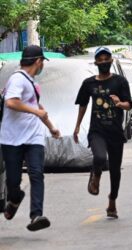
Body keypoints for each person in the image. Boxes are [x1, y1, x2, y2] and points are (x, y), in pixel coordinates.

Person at [0, 45, 61, 231]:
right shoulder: (17, 79)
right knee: (13, 182)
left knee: (36, 173)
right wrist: (35, 111)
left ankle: (36, 215)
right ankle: (15, 199)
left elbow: (36, 106)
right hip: (12, 138)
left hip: (34, 137)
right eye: (42, 62)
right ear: (38, 61)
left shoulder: (32, 82)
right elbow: (11, 102)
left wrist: (51, 127)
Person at [74, 47, 132, 219]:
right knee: (99, 158)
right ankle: (96, 175)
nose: (104, 62)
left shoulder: (120, 81)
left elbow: (129, 104)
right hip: (97, 130)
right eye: (100, 59)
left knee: (115, 171)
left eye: (107, 58)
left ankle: (112, 201)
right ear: (96, 63)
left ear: (111, 61)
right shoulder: (88, 83)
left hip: (115, 132)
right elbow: (83, 105)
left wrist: (119, 103)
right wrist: (77, 126)